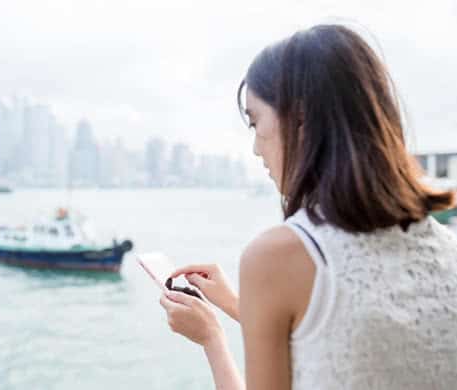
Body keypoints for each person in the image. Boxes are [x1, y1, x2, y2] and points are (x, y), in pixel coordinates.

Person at [159, 24, 457, 390]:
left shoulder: (278, 256)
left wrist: (212, 340)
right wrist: (241, 305)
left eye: (256, 122)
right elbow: (356, 339)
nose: (255, 147)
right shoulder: (447, 248)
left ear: (299, 120)